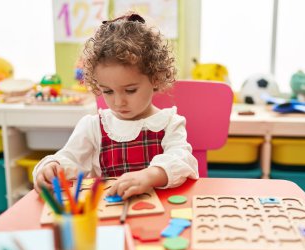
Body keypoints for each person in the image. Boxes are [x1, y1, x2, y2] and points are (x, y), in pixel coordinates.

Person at [33, 13, 199, 200]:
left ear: (155, 78)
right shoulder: (93, 127)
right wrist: (50, 168)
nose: (118, 102)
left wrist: (150, 175)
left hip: (158, 216)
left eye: (130, 90)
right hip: (109, 217)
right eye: (108, 91)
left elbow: (182, 160)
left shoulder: (169, 123)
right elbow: (69, 159)